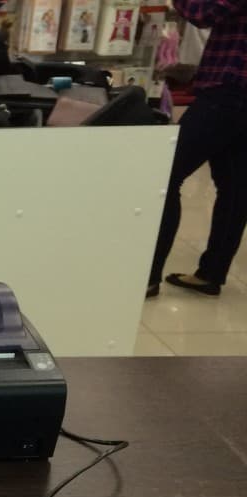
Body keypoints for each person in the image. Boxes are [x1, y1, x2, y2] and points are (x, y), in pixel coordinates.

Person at [148, 0, 247, 298]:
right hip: (234, 90)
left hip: (228, 88)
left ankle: (147, 276)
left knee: (165, 175)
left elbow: (204, 12)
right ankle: (211, 273)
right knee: (235, 187)